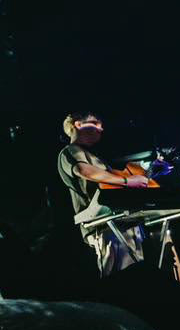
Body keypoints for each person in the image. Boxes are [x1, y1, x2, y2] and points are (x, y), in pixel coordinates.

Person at [56, 112, 155, 277]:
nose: (100, 129)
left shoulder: (95, 157)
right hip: (103, 225)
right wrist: (127, 181)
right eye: (95, 123)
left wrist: (150, 172)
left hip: (120, 220)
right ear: (78, 124)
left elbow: (118, 182)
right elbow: (84, 170)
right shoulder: (70, 151)